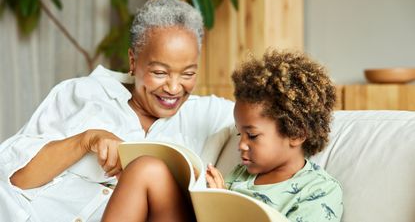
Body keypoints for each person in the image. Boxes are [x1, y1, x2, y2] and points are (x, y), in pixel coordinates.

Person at [0, 0, 234, 222]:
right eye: (160, 73)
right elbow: (18, 178)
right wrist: (87, 140)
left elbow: (266, 111)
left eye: (188, 74)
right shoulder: (81, 94)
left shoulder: (208, 114)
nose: (174, 88)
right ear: (133, 61)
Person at [101, 49, 343, 222]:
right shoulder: (241, 175)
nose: (242, 145)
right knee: (146, 168)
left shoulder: (318, 190)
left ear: (296, 133)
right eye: (240, 134)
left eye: (253, 136)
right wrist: (206, 195)